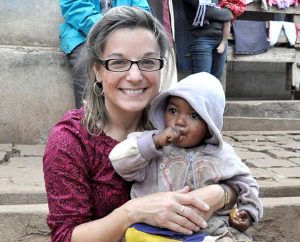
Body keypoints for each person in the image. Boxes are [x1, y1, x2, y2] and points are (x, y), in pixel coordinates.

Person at [43, 7, 238, 242]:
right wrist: (131, 212)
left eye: (147, 62)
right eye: (118, 62)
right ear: (97, 70)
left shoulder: (176, 122)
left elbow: (227, 171)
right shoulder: (70, 140)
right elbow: (65, 237)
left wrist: (222, 193)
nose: (135, 76)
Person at [110, 72, 263, 241]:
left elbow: (246, 184)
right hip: (153, 228)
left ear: (210, 124)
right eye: (173, 111)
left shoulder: (222, 154)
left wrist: (247, 211)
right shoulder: (151, 143)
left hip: (207, 229)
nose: (180, 121)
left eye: (194, 115)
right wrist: (154, 143)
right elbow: (120, 163)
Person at [58, 0, 151, 108]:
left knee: (143, 62)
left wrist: (124, 32)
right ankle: (87, 118)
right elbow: (74, 6)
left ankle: (133, 118)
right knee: (86, 64)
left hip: (125, 35)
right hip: (83, 36)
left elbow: (142, 10)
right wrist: (107, 29)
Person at [182, 0, 246, 80]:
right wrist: (227, 13)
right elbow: (207, 11)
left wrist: (224, 12)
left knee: (216, 80)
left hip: (221, 38)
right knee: (202, 80)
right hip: (202, 38)